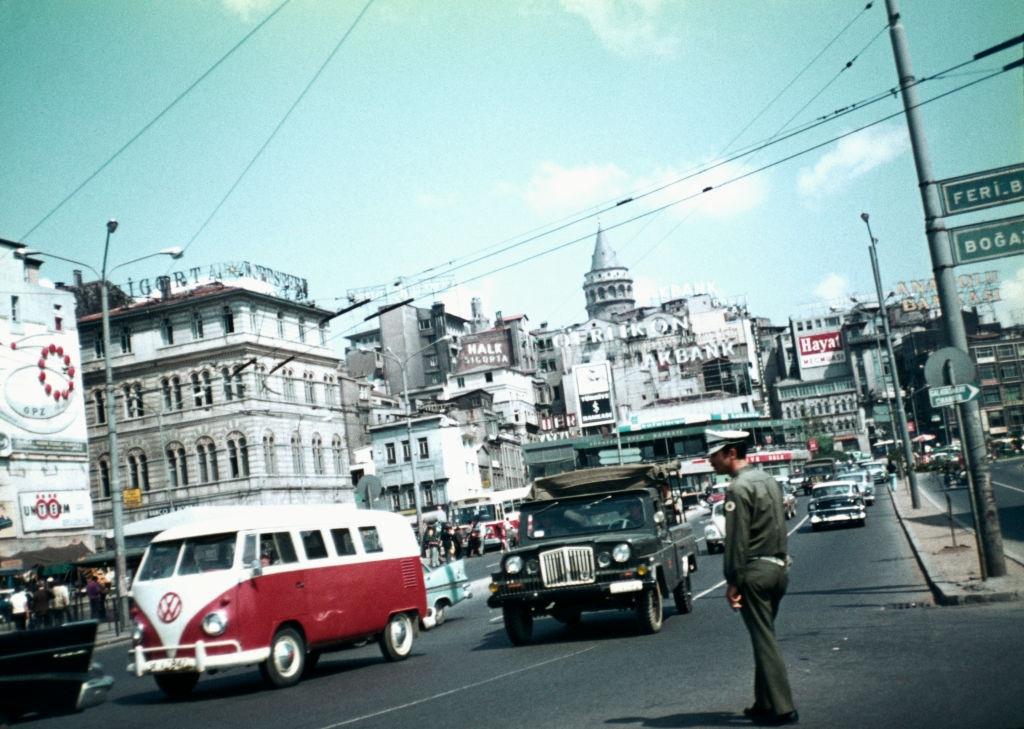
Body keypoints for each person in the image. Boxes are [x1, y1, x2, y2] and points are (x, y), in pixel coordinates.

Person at [706, 429, 798, 726]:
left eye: (714, 454)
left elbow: (736, 540)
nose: (710, 461)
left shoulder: (737, 489)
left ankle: (784, 708)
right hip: (779, 569)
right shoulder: (768, 479)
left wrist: (732, 580)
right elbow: (781, 525)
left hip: (755, 573)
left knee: (764, 638)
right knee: (764, 636)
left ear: (731, 453)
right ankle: (763, 702)